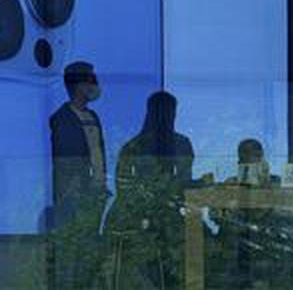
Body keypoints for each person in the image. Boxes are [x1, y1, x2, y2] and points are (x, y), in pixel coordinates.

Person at [108, 91, 195, 289]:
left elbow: (123, 188)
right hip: (143, 221)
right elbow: (183, 184)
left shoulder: (133, 146)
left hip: (154, 218)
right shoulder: (177, 144)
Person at [49, 61, 107, 289]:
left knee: (89, 253)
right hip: (75, 198)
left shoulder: (93, 117)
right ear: (79, 85)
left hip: (95, 195)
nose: (95, 85)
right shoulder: (61, 118)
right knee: (73, 253)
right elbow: (65, 164)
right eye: (91, 80)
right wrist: (74, 191)